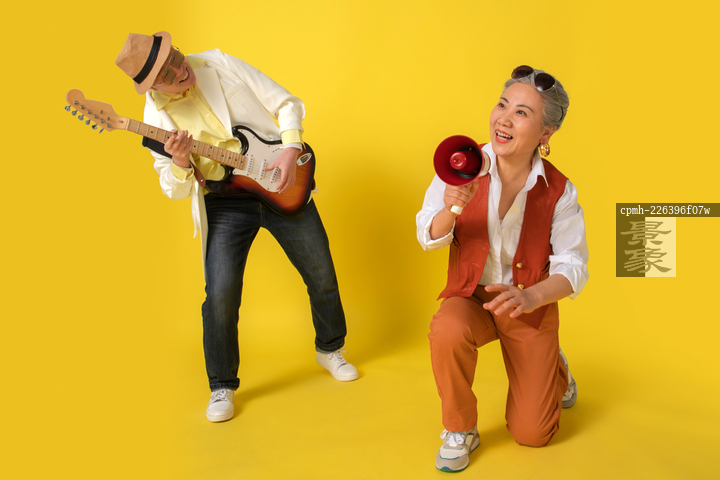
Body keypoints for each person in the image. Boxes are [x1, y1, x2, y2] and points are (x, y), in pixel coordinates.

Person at [115, 32, 357, 423]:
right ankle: (221, 384)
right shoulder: (155, 121)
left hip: (279, 178)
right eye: (168, 74)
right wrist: (180, 163)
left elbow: (286, 102)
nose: (181, 70)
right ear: (153, 86)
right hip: (224, 201)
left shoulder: (218, 62)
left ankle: (330, 348)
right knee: (221, 294)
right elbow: (172, 188)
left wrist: (290, 151)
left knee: (321, 273)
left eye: (176, 58)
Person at [416, 65, 588, 472]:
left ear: (546, 133)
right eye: (502, 105)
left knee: (533, 434)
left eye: (522, 113)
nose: (504, 119)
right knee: (447, 329)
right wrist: (451, 207)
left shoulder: (560, 190)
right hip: (471, 297)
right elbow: (428, 236)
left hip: (528, 302)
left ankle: (555, 367)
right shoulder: (461, 163)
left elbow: (573, 266)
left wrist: (532, 296)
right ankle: (459, 429)